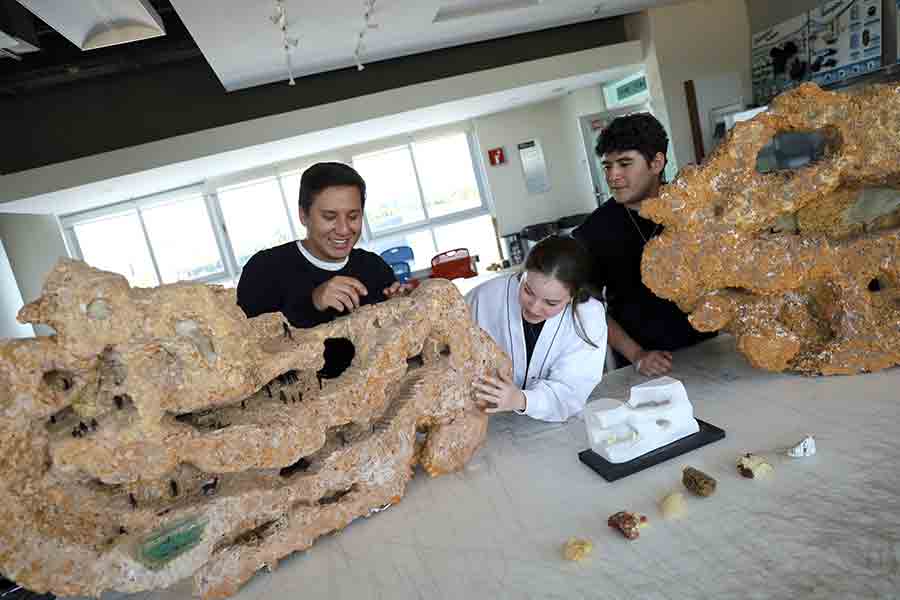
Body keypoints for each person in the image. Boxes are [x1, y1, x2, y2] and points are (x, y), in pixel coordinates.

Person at [572, 113, 715, 377]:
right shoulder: (594, 231)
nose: (613, 176)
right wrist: (636, 354)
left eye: (625, 163)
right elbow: (583, 303)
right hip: (646, 366)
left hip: (713, 347)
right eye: (607, 166)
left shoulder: (696, 209)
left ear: (656, 162)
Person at [237, 162, 408, 375]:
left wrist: (399, 310)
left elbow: (392, 348)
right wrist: (313, 303)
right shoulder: (263, 270)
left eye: (353, 217)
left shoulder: (374, 267)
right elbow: (247, 352)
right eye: (329, 217)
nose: (344, 229)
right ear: (303, 215)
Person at [466, 236, 607, 422]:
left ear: (573, 296)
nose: (533, 308)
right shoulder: (484, 297)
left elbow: (571, 391)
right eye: (528, 291)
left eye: (551, 302)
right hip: (485, 420)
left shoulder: (588, 317)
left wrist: (521, 400)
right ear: (523, 273)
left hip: (554, 426)